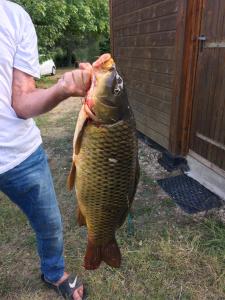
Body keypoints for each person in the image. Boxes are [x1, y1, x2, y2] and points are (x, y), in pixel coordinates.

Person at [0, 1, 92, 299]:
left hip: (19, 155)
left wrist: (62, 89)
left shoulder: (13, 16)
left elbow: (22, 101)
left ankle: (54, 273)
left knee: (50, 224)